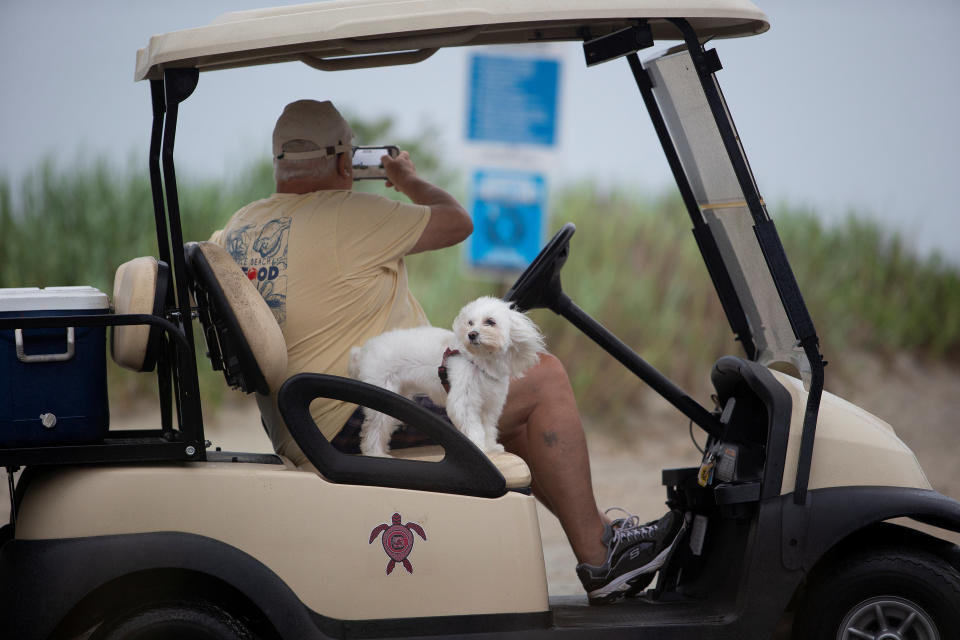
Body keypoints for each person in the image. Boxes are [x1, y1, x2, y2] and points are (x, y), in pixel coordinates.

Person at [213, 99, 681, 605]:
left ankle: (599, 549)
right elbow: (457, 221)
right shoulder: (351, 212)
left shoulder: (239, 226)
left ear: (277, 162)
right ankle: (600, 553)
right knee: (542, 376)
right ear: (347, 162)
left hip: (300, 417)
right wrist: (408, 180)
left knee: (504, 405)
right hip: (353, 412)